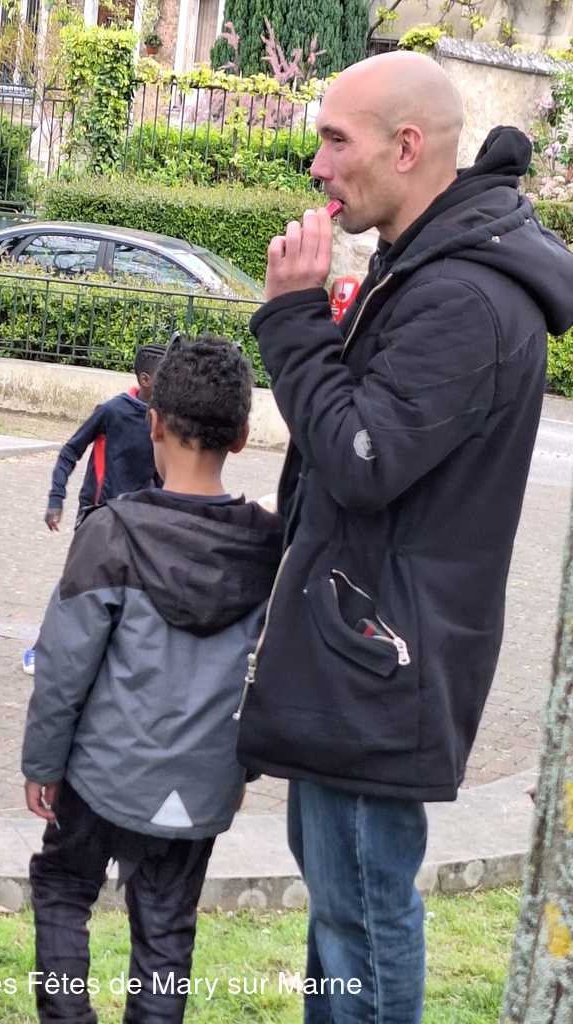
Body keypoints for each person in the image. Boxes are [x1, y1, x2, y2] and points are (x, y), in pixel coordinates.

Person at [235, 50, 573, 1024]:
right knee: (343, 912)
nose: (317, 165)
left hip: (379, 664)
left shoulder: (462, 298)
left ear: (407, 147)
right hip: (365, 650)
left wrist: (291, 318)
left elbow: (363, 458)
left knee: (364, 920)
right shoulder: (428, 266)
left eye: (335, 140)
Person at [22, 335, 283, 1024]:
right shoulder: (268, 544)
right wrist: (242, 770)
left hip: (98, 776)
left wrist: (42, 763)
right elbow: (274, 671)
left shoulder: (112, 531)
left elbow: (63, 667)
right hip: (201, 783)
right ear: (243, 435)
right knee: (167, 927)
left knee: (63, 888)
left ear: (154, 422)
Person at [21, 343, 165, 675]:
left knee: (135, 586)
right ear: (145, 379)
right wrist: (56, 498)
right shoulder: (112, 411)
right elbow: (69, 452)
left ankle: (110, 652)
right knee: (76, 583)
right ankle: (41, 649)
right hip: (98, 513)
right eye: (164, 375)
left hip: (138, 516)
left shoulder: (165, 418)